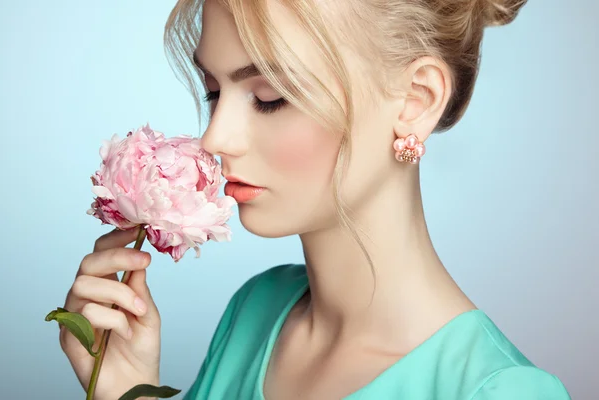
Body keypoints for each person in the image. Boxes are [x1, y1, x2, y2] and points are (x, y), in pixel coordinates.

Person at [59, 0, 572, 399]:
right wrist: (126, 394)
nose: (214, 138)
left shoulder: (498, 392)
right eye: (214, 91)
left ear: (416, 101)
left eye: (269, 96)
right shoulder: (256, 311)